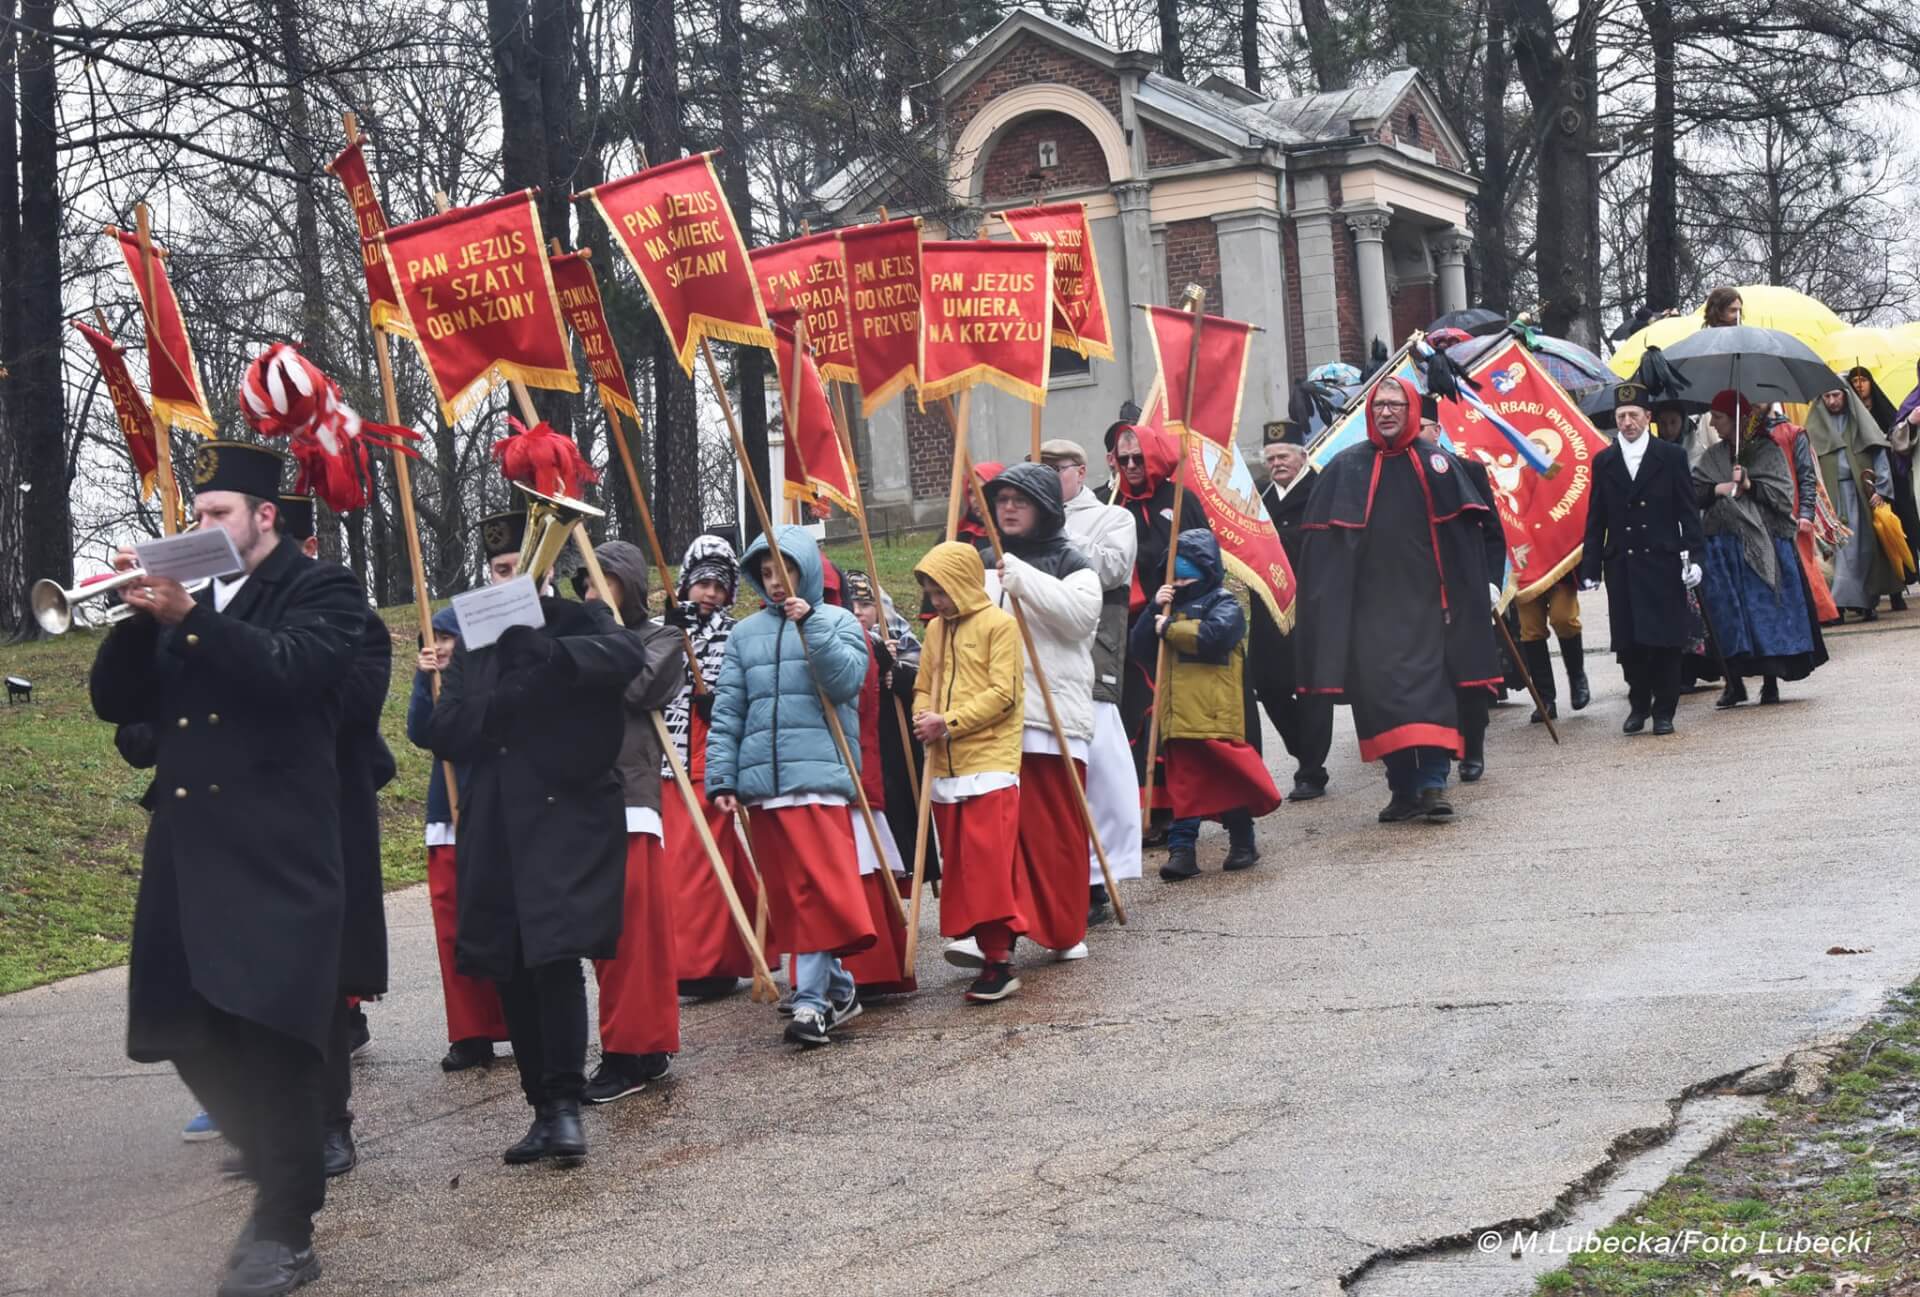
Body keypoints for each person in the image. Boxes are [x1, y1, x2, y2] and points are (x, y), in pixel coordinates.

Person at [89, 440, 366, 1296]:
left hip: (279, 849)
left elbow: (294, 671)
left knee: (276, 1036)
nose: (202, 526)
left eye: (217, 515)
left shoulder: (323, 589)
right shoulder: (185, 602)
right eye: (196, 515)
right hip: (187, 844)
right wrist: (139, 618)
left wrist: (191, 619)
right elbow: (115, 704)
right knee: (174, 1023)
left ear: (264, 518)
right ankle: (271, 1154)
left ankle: (286, 1225)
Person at [426, 559, 650, 1168]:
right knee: (508, 961)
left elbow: (628, 657)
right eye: (496, 570)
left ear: (544, 569)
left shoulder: (581, 616)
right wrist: (499, 687)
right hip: (495, 820)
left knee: (554, 955)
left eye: (516, 567)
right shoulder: (475, 642)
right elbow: (446, 731)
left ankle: (566, 1108)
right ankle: (542, 1110)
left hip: (565, 817)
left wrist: (551, 656)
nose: (506, 579)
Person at [1296, 379, 1504, 824]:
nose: (1387, 412)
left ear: (1410, 409)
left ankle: (1432, 784)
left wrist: (1469, 595)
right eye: (1379, 404)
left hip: (1429, 609)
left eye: (1395, 404)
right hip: (1369, 615)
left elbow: (1463, 543)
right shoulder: (1345, 467)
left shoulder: (1439, 464)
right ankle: (1401, 789)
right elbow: (1324, 552)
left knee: (1429, 699)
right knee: (1379, 700)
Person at [706, 527, 875, 1049]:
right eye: (766, 572)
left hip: (819, 780)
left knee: (819, 893)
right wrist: (723, 778)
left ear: (804, 568)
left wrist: (814, 627)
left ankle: (810, 1001)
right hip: (765, 787)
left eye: (784, 570)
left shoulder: (839, 621)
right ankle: (836, 987)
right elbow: (730, 709)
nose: (775, 582)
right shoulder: (744, 635)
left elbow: (846, 682)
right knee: (790, 899)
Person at [276, 494, 392, 1181]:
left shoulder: (355, 621)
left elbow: (352, 709)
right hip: (252, 824)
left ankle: (328, 1123)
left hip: (325, 816)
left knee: (317, 985)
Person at [975, 463, 1102, 961]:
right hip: (992, 718)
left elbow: (1078, 620)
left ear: (1045, 508)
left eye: (1019, 500)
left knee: (1054, 835)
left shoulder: (1076, 563)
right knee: (999, 835)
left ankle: (1063, 926)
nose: (1007, 508)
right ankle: (997, 933)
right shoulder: (985, 561)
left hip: (1051, 717)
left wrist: (1022, 577)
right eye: (1001, 499)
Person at [578, 542, 688, 1105]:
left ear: (628, 586)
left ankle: (630, 1051)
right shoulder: (583, 637)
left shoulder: (661, 638)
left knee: (632, 936)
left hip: (631, 799)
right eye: (588, 585)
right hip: (582, 800)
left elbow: (639, 687)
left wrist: (596, 643)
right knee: (603, 938)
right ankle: (639, 1045)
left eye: (605, 584)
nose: (593, 595)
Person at [910, 542, 1026, 1002]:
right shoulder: (935, 631)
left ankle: (1000, 960)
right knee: (961, 870)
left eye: (941, 589)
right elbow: (923, 686)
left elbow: (1004, 695)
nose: (936, 600)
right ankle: (986, 951)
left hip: (989, 764)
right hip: (946, 768)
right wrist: (924, 716)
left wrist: (949, 723)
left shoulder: (1000, 625)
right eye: (929, 591)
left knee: (989, 869)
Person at [658, 534, 771, 1000]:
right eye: (702, 583)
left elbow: (743, 684)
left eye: (719, 586)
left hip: (712, 752)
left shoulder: (734, 633)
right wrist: (666, 639)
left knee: (704, 860)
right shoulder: (663, 627)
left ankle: (706, 960)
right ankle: (709, 954)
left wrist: (719, 705)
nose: (709, 593)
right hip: (670, 752)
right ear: (685, 583)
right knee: (681, 863)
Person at [1130, 528, 1279, 878]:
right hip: (1177, 716)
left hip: (1214, 712)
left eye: (1186, 572)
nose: (1180, 581)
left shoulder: (1223, 603)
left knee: (1228, 779)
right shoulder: (1164, 609)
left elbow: (1214, 637)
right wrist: (1154, 607)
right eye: (1174, 574)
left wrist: (1169, 629)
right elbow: (1140, 648)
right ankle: (1183, 851)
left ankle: (1243, 841)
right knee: (1185, 786)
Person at [1040, 437, 1141, 924]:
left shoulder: (1112, 518)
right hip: (1037, 655)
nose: (1047, 475)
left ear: (1080, 472)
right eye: (1038, 467)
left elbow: (1113, 569)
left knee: (1096, 763)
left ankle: (1098, 878)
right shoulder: (1021, 523)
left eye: (1056, 468)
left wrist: (1060, 533)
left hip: (1090, 648)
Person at [406, 606, 508, 1071]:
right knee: (452, 929)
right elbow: (420, 733)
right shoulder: (429, 682)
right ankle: (470, 1032)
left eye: (447, 637)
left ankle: (514, 1023)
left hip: (485, 809)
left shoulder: (484, 680)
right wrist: (421, 685)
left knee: (500, 922)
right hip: (443, 816)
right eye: (433, 638)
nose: (440, 646)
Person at [1578, 383, 1706, 735]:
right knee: (1629, 642)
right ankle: (1638, 702)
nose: (1627, 422)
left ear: (1648, 417)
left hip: (1662, 562)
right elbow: (1596, 518)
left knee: (1665, 641)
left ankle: (1664, 710)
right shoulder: (1604, 461)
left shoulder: (1670, 456)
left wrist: (1695, 557)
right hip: (1623, 563)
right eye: (1621, 416)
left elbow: (1688, 511)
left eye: (1634, 415)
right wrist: (1590, 568)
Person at [1694, 391, 1828, 707]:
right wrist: (1718, 488)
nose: (1713, 422)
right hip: (1722, 548)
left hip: (1765, 542)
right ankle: (1733, 683)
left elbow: (1783, 497)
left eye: (1720, 416)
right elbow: (1695, 491)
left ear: (1737, 419)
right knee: (1728, 615)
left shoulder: (1767, 450)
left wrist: (1752, 485)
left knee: (1765, 612)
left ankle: (1770, 680)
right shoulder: (1712, 457)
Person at [1108, 421, 1206, 823]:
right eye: (1123, 458)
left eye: (1138, 457)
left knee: (1176, 717)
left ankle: (1184, 809)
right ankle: (1149, 809)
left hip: (1177, 621)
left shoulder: (1179, 500)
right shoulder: (1111, 506)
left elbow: (1203, 554)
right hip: (1133, 630)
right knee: (1138, 715)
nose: (1131, 466)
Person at [1416, 401, 1503, 783]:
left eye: (1420, 427)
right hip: (1419, 593)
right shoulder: (1397, 474)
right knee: (1431, 676)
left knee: (1469, 672)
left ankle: (1474, 749)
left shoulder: (1467, 471)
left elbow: (1492, 532)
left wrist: (1491, 582)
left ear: (1436, 430)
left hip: (1465, 586)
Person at [1252, 429, 1334, 799]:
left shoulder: (1322, 489)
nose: (1276, 464)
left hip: (1314, 604)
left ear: (1302, 455)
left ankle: (1312, 770)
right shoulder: (1257, 499)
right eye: (1270, 459)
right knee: (1271, 688)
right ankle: (1303, 752)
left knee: (1313, 688)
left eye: (1283, 456)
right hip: (1270, 608)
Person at [846, 569, 938, 891]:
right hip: (860, 738)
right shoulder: (842, 638)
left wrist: (897, 673)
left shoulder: (904, 638)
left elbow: (923, 679)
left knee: (901, 804)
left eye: (866, 605)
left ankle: (911, 875)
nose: (858, 611)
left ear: (881, 608)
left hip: (896, 739)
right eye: (851, 604)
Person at [1805, 382, 1900, 622]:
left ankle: (1866, 602)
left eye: (1836, 395)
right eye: (1827, 396)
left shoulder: (1861, 423)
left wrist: (1881, 490)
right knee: (1837, 554)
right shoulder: (1814, 428)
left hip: (1861, 497)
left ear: (1846, 396)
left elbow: (1879, 457)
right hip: (1830, 501)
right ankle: (1836, 606)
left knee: (1863, 550)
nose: (1832, 401)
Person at [1762, 408, 1841, 626]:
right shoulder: (1743, 436)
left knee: (1803, 566)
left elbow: (1807, 476)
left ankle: (1814, 619)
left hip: (1794, 511)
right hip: (1763, 512)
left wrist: (1806, 512)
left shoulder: (1793, 432)